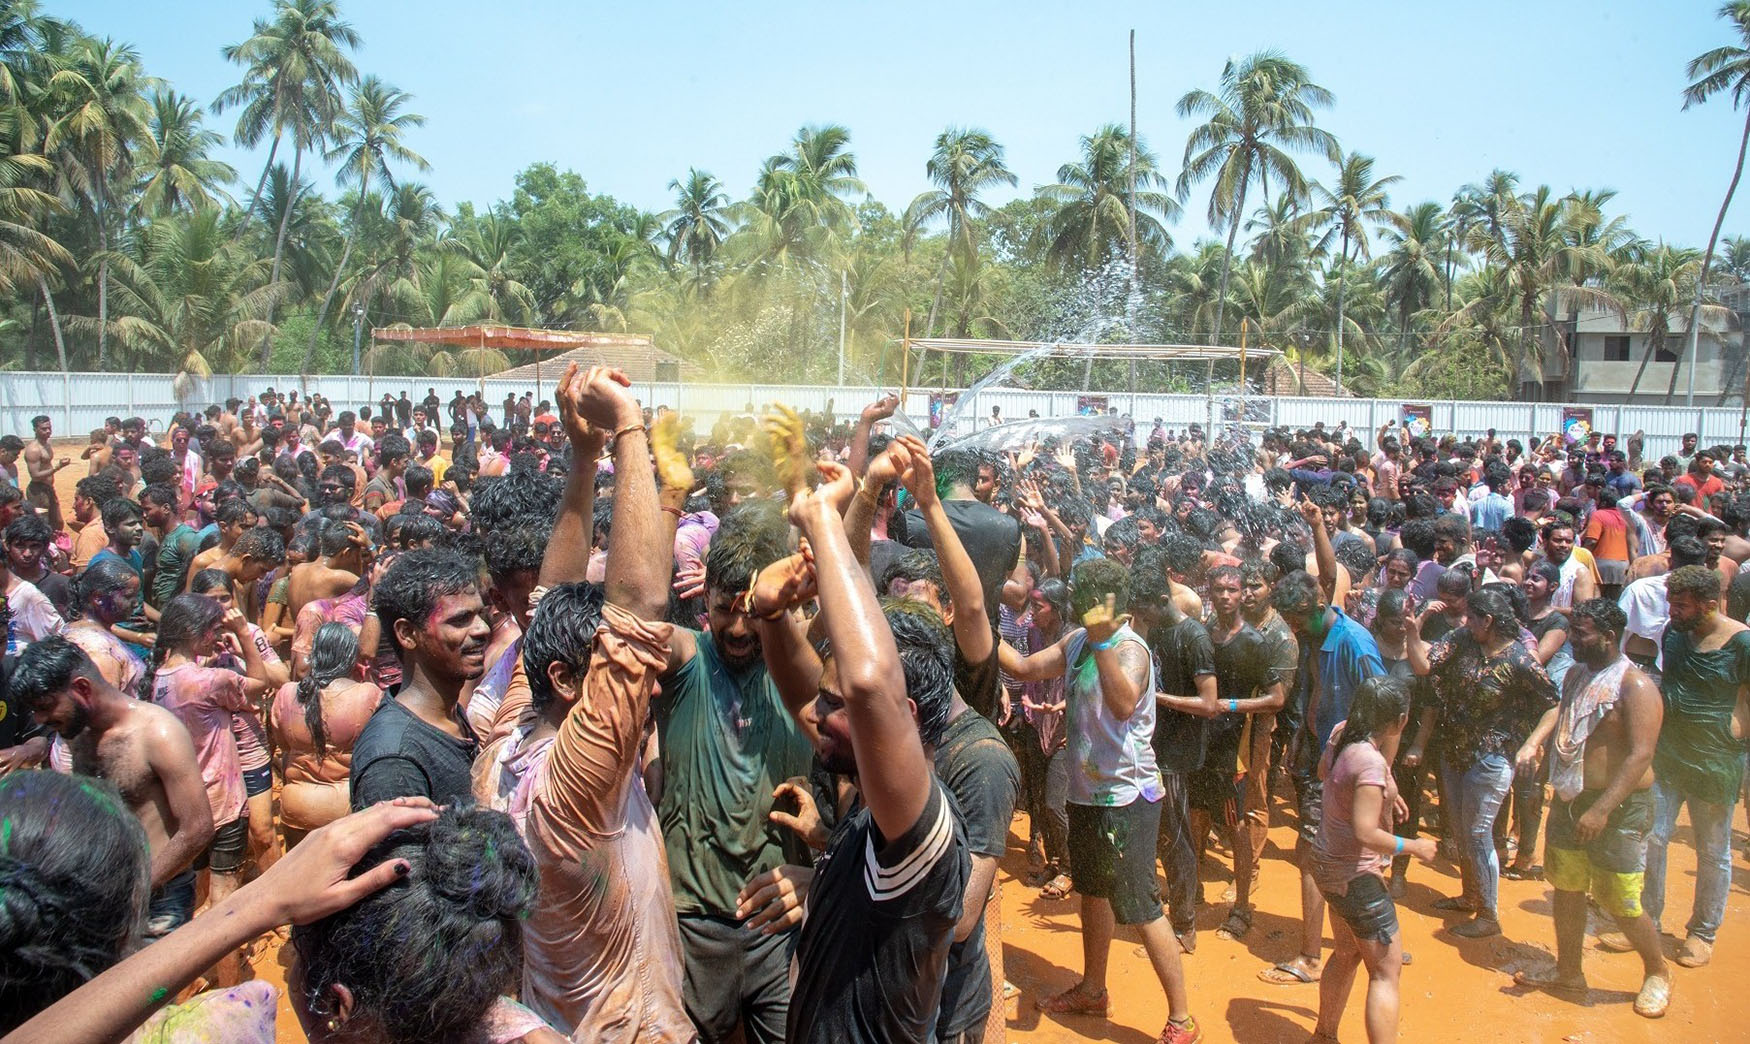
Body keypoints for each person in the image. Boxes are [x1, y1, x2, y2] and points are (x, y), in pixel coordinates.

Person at [4, 794, 562, 1044]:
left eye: (293, 952)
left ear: (337, 1009)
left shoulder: (216, 1029)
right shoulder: (525, 1029)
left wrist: (257, 904)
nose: (287, 965)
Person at [1005, 557, 1201, 1043]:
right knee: (1092, 892)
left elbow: (1123, 703)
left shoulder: (1131, 649)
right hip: (1087, 795)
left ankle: (1182, 1020)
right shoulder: (1076, 642)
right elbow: (1025, 668)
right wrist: (975, 621)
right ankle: (1094, 991)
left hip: (1127, 798)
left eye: (1084, 595)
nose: (1075, 600)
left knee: (1141, 905)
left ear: (1108, 603)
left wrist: (1101, 642)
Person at [1511, 598, 1671, 1018]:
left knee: (1619, 899)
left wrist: (1601, 809)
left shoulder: (1635, 686)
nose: (1573, 641)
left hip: (1618, 808)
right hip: (1571, 801)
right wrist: (1540, 773)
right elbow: (1564, 722)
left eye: (1580, 635)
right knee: (1567, 888)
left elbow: (1641, 755)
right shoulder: (1576, 674)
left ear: (1608, 637)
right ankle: (1569, 972)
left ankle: (1657, 971)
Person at [12, 636, 215, 940]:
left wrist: (137, 890)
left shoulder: (157, 733)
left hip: (158, 897)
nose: (40, 719)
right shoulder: (77, 733)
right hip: (103, 892)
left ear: (82, 688)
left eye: (46, 706)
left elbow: (197, 828)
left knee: (154, 973)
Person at [1259, 568, 1383, 987]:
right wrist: (1302, 736)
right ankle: (1375, 941)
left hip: (1350, 766)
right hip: (1323, 757)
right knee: (1340, 854)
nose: (1292, 627)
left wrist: (1381, 776)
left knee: (1315, 854)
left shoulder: (1354, 643)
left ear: (1316, 606)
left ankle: (1312, 957)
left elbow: (1386, 709)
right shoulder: (1315, 636)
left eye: (1297, 618)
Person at [148, 592, 275, 985]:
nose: (218, 636)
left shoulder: (158, 679)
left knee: (198, 893)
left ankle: (192, 976)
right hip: (224, 802)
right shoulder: (210, 680)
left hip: (187, 809)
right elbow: (261, 682)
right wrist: (244, 634)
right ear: (193, 632)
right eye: (213, 630)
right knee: (225, 906)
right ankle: (231, 989)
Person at [1420, 588, 1558, 938]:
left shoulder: (1520, 661)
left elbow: (1553, 705)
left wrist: (1531, 744)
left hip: (1492, 758)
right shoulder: (1463, 640)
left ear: (1489, 621)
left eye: (1472, 617)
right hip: (1454, 750)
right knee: (1461, 830)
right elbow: (1427, 663)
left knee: (1479, 833)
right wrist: (1413, 626)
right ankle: (1470, 895)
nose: (1465, 622)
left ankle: (1489, 914)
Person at [1632, 563, 1750, 969]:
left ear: (1709, 604)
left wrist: (1735, 733)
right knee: (1652, 836)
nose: (1672, 611)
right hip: (1669, 753)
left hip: (1716, 759)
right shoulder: (1674, 632)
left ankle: (1702, 932)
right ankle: (1648, 921)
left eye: (1680, 605)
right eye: (1671, 603)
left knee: (1712, 850)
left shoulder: (1742, 643)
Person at [1308, 676, 1437, 1044]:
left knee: (1346, 952)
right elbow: (1366, 832)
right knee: (1385, 972)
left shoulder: (1342, 733)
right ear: (1400, 720)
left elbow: (1325, 773)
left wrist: (1385, 791)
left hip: (1327, 865)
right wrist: (1414, 846)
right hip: (1355, 876)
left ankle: (1324, 1036)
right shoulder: (1370, 761)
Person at [350, 548, 488, 808]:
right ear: (407, 634)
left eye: (480, 614)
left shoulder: (450, 716)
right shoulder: (395, 762)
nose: (483, 629)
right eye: (461, 620)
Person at [22, 414, 71, 530]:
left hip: (48, 488)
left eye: (49, 428)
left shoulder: (47, 445)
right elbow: (35, 476)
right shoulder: (33, 449)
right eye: (44, 429)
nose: (48, 431)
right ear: (35, 430)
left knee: (57, 523)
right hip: (38, 491)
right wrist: (58, 467)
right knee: (41, 524)